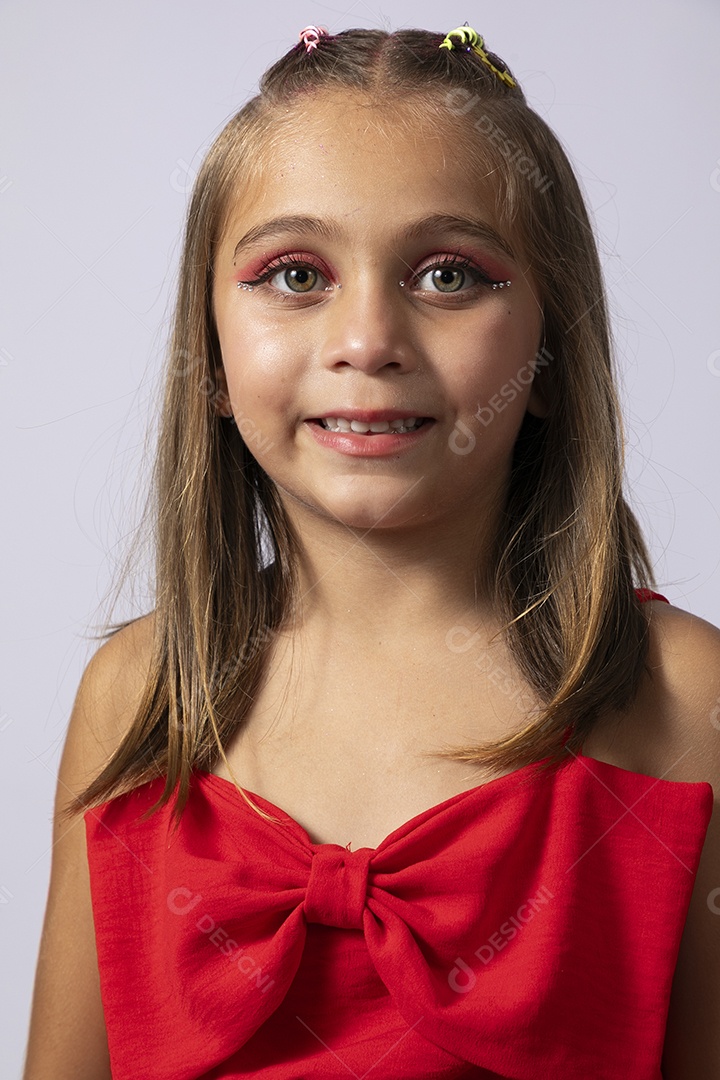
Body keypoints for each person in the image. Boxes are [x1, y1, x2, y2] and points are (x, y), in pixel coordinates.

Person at [23, 24, 720, 1080]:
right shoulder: (137, 697)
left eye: (448, 273)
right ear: (209, 355)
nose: (367, 337)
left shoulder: (683, 699)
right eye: (295, 273)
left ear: (548, 353)